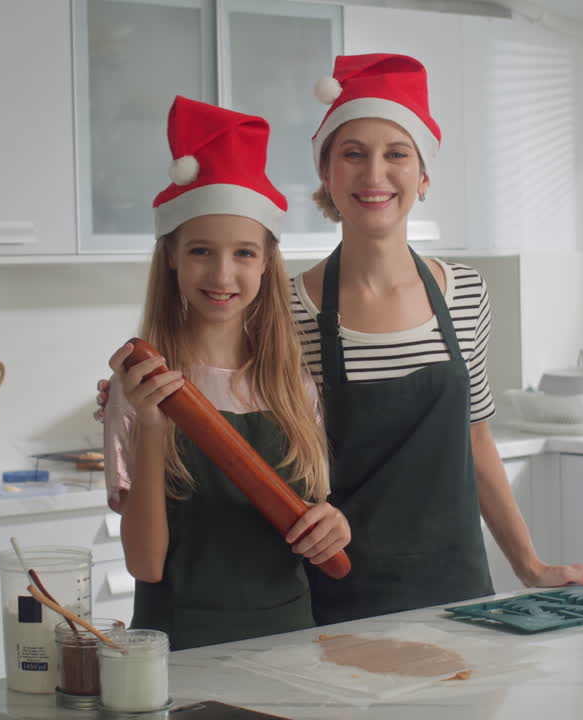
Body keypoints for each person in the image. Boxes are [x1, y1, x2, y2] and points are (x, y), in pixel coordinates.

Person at [99, 55, 583, 625]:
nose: (375, 174)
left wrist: (530, 565)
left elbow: (475, 443)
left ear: (424, 176)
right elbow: (229, 396)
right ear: (326, 176)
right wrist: (130, 409)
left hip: (458, 589)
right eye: (353, 153)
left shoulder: (466, 296)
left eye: (397, 153)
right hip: (335, 596)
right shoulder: (286, 318)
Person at [103, 96, 350, 649]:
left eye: (243, 253)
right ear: (170, 256)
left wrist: (334, 523)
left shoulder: (292, 385)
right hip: (182, 649)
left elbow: (313, 517)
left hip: (289, 640)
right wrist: (149, 424)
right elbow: (144, 563)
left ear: (266, 261)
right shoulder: (141, 386)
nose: (222, 273)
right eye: (199, 251)